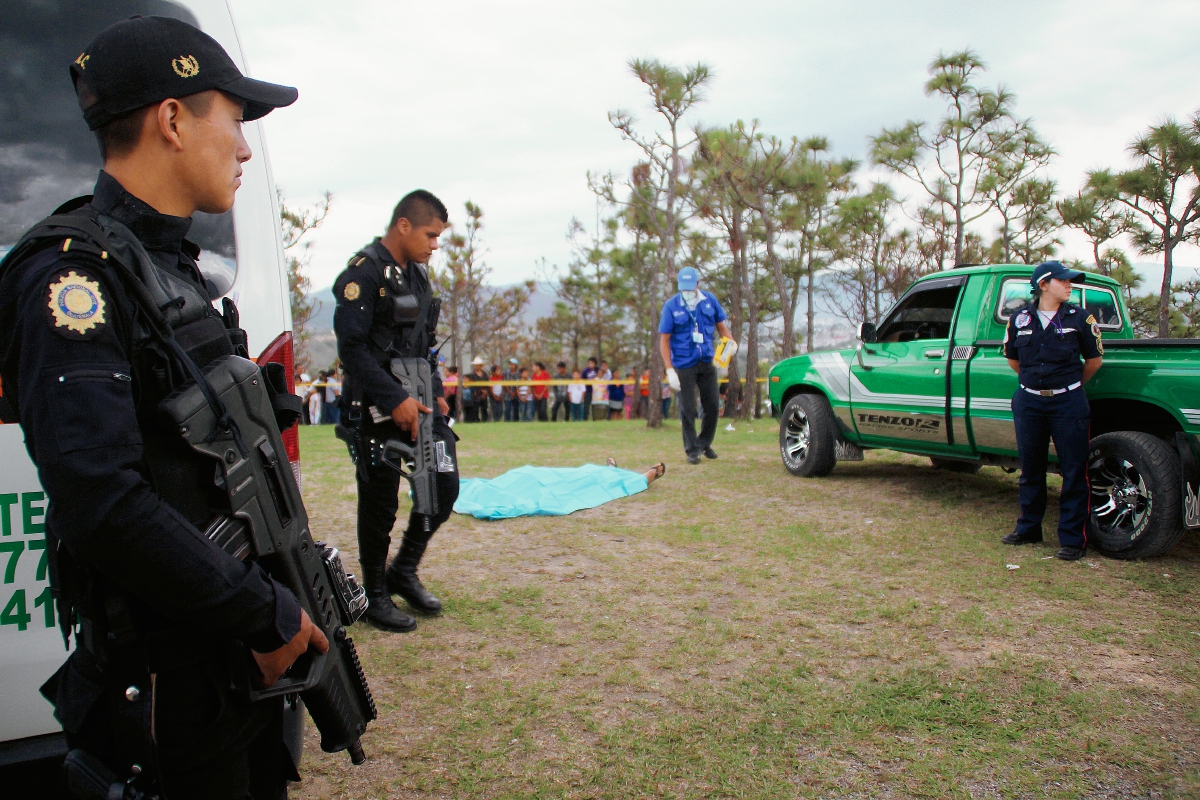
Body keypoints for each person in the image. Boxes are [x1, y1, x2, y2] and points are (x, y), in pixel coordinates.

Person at [0, 16, 324, 798]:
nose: (246, 147)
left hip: (227, 674)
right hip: (167, 691)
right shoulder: (71, 280)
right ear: (173, 119)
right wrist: (263, 613)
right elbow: (102, 503)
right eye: (234, 118)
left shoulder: (171, 270)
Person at [333, 189, 460, 631]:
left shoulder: (418, 278)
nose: (435, 244)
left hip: (421, 399)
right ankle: (374, 595)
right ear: (403, 225)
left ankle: (403, 570)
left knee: (442, 488)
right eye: (430, 234)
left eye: (439, 236)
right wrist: (394, 399)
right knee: (380, 504)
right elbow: (352, 350)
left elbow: (424, 345)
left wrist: (437, 390)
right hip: (375, 408)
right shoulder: (363, 275)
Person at [1002, 261, 1104, 561]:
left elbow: (1094, 361)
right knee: (1030, 468)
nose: (1070, 285)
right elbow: (1014, 360)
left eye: (1071, 281)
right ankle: (1029, 528)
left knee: (1074, 471)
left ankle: (1073, 540)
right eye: (1064, 281)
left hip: (1068, 402)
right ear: (1044, 284)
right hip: (1029, 401)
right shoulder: (1019, 319)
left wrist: (1067, 387)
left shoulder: (1081, 318)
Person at [660, 266, 736, 464]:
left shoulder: (709, 301)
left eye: (690, 286)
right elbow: (664, 340)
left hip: (707, 361)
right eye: (683, 287)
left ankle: (704, 443)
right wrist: (669, 370)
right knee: (688, 408)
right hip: (684, 364)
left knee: (712, 405)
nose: (686, 290)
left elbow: (722, 330)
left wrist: (728, 350)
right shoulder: (671, 306)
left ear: (698, 283)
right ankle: (692, 449)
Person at [462, 357, 487, 422]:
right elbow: (470, 384)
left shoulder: (485, 374)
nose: (476, 366)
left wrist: (485, 391)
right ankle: (476, 420)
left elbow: (487, 383)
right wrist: (475, 391)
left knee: (484, 409)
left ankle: (485, 421)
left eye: (478, 365)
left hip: (484, 395)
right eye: (475, 365)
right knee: (475, 409)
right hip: (475, 395)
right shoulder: (472, 375)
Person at [502, 357, 521, 422]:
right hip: (507, 395)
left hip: (516, 395)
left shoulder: (519, 374)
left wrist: (515, 393)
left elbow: (520, 384)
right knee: (507, 409)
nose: (511, 366)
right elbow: (504, 383)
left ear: (516, 365)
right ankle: (507, 421)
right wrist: (510, 392)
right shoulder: (505, 373)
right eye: (510, 364)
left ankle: (516, 422)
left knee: (516, 410)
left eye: (513, 364)